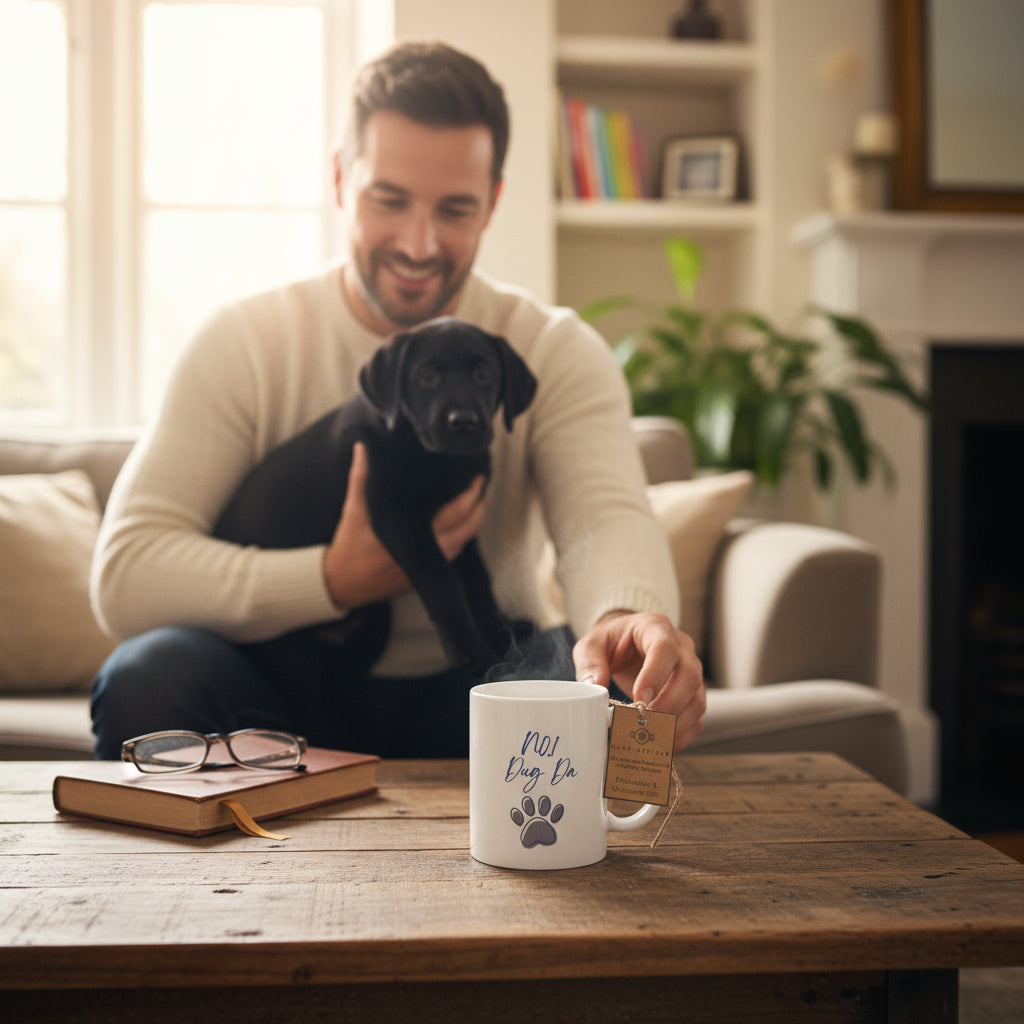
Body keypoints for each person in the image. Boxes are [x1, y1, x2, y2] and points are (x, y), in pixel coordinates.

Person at [89, 41, 705, 760]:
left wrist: (627, 619)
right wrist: (329, 579)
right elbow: (127, 574)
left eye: (455, 209)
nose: (419, 243)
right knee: (149, 676)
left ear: (493, 203)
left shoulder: (552, 347)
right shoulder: (244, 342)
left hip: (483, 685)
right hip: (282, 689)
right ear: (339, 180)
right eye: (389, 200)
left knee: (611, 688)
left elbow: (605, 514)